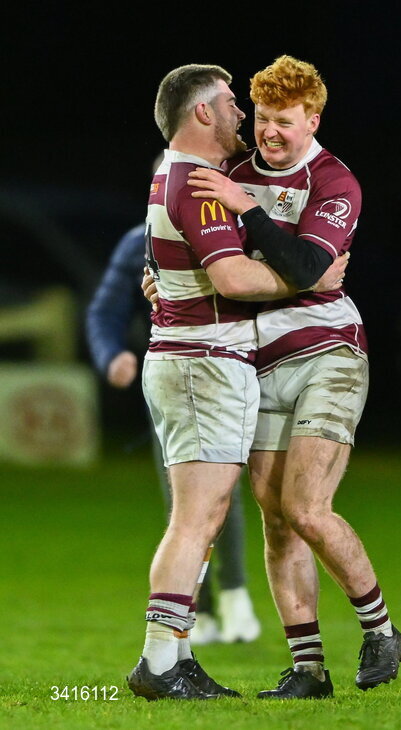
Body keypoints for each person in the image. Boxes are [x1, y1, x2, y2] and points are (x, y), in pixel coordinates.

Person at [185, 55, 401, 699]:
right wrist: (161, 276)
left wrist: (250, 214)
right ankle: (308, 669)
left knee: (307, 507)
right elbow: (207, 247)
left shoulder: (335, 181)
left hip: (329, 355)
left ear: (313, 119)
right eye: (261, 118)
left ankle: (380, 628)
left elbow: (310, 266)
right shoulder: (233, 173)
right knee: (276, 520)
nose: (269, 132)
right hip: (257, 362)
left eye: (284, 121)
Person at [127, 63, 346, 701]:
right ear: (201, 113)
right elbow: (233, 281)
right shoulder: (197, 185)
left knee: (206, 514)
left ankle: (173, 655)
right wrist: (312, 280)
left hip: (194, 359)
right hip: (200, 362)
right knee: (196, 517)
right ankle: (161, 663)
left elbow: (174, 270)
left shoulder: (177, 177)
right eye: (229, 103)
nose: (240, 115)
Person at [86, 219, 260, 647]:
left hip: (234, 368)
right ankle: (198, 609)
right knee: (186, 499)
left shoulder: (235, 234)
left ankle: (233, 595)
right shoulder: (139, 240)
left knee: (228, 491)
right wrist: (111, 356)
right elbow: (105, 308)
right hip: (175, 371)